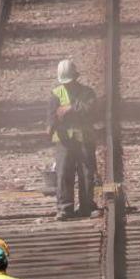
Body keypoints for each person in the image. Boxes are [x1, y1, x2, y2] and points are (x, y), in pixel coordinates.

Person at [47, 59, 100, 220]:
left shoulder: (88, 92)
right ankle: (65, 208)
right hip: (64, 140)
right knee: (63, 173)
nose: (68, 85)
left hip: (84, 139)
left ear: (76, 78)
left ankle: (86, 206)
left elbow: (91, 110)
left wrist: (70, 109)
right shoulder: (56, 93)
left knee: (86, 173)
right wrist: (50, 126)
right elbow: (52, 115)